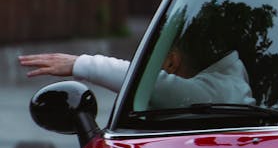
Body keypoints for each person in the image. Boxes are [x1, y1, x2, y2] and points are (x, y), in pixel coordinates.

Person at [18, 40, 255, 108]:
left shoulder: (219, 93)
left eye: (155, 62)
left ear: (172, 62)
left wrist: (83, 65)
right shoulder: (232, 83)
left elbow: (155, 86)